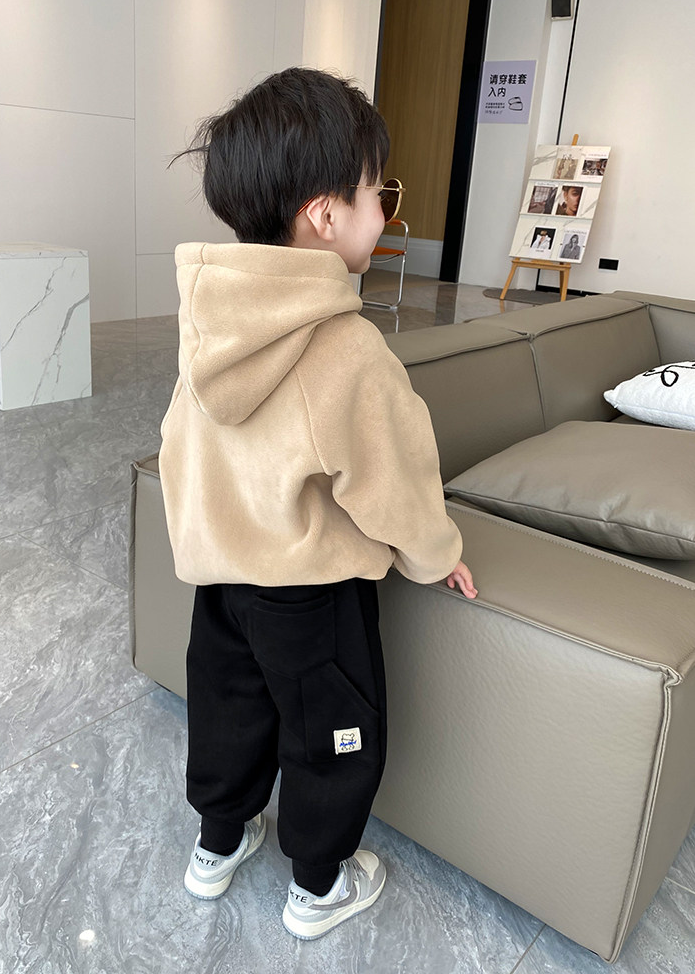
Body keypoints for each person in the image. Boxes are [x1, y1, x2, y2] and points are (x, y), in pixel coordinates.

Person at [159, 67, 477, 942]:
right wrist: (436, 554)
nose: (388, 212)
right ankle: (318, 887)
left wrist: (200, 543)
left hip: (221, 585)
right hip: (308, 596)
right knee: (331, 733)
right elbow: (395, 480)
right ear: (325, 216)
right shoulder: (346, 349)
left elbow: (182, 445)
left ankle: (217, 845)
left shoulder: (208, 326)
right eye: (382, 193)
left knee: (227, 711)